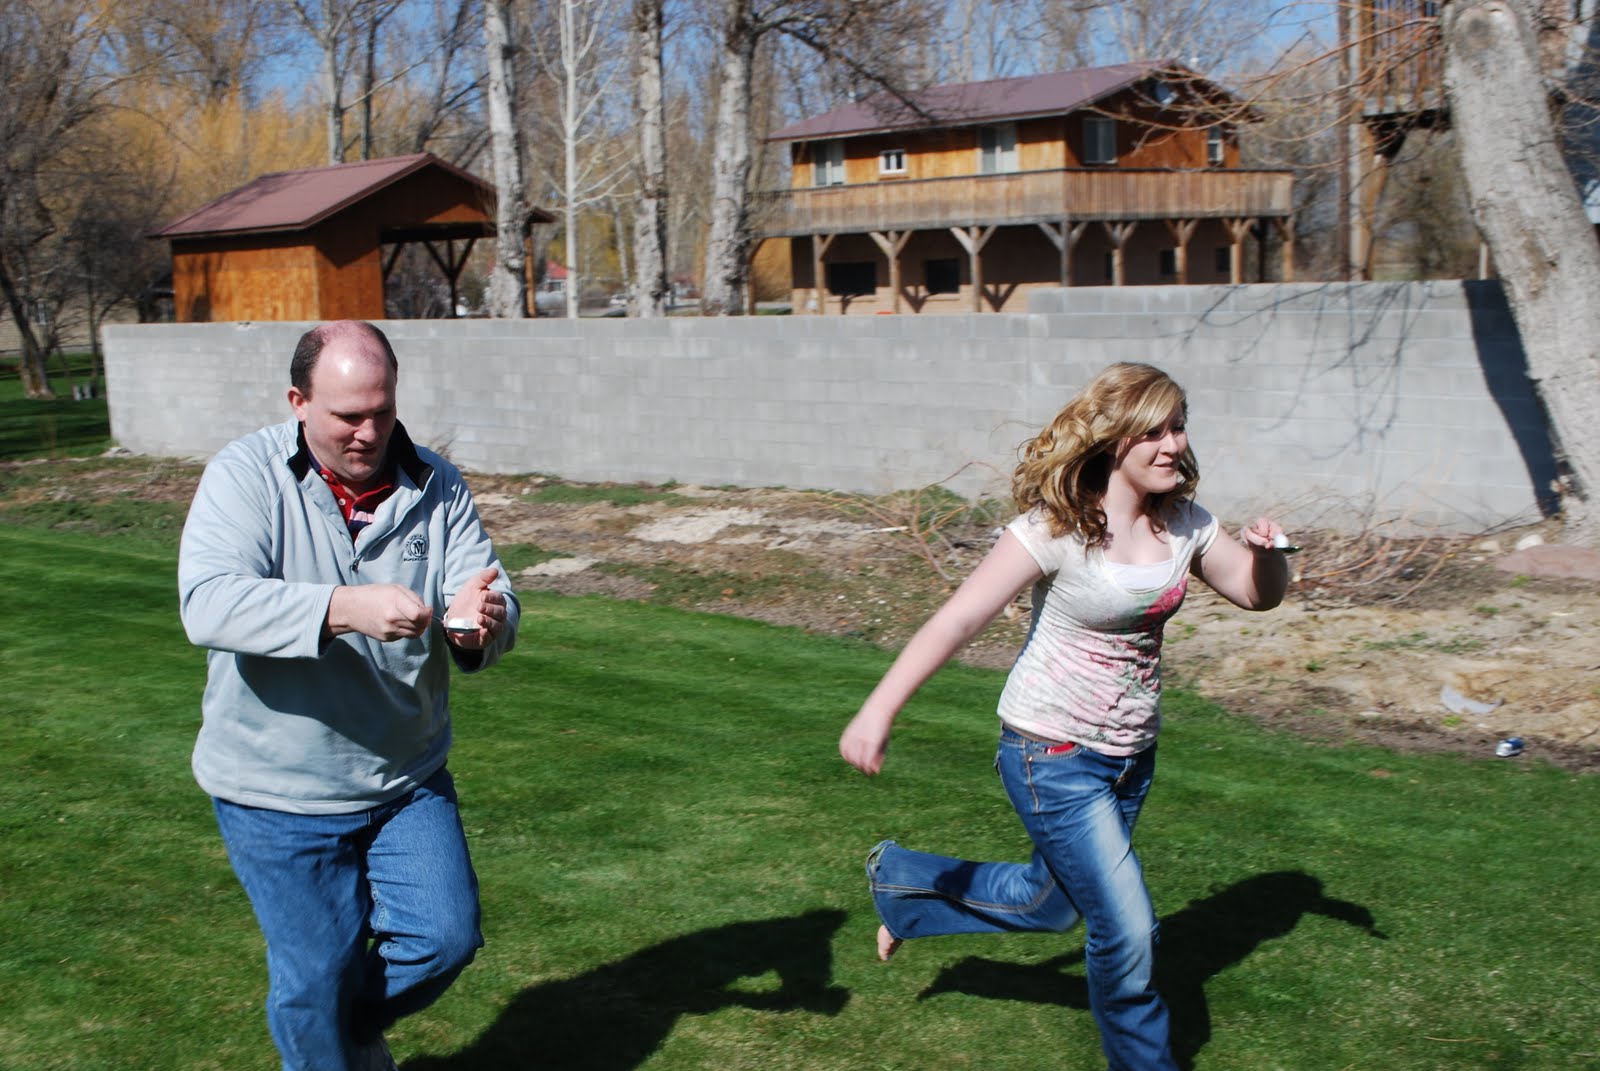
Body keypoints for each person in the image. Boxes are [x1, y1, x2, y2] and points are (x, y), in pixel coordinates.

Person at [838, 362, 1289, 1071]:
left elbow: (1256, 595)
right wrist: (877, 710)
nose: (1174, 442)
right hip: (1050, 753)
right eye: (1155, 430)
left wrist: (1272, 559)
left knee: (1048, 903)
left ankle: (902, 883)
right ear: (1116, 440)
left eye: (1179, 425)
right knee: (1128, 928)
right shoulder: (1054, 529)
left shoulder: (1186, 525)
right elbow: (957, 620)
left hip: (1131, 753)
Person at [178, 320, 520, 1071]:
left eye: (382, 411)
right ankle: (329, 1033)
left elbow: (492, 593)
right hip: (276, 787)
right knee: (313, 978)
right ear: (298, 401)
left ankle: (342, 1029)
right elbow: (207, 603)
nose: (368, 432)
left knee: (444, 937)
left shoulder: (438, 483)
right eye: (347, 416)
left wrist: (479, 626)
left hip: (405, 775)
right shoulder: (245, 475)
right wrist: (341, 608)